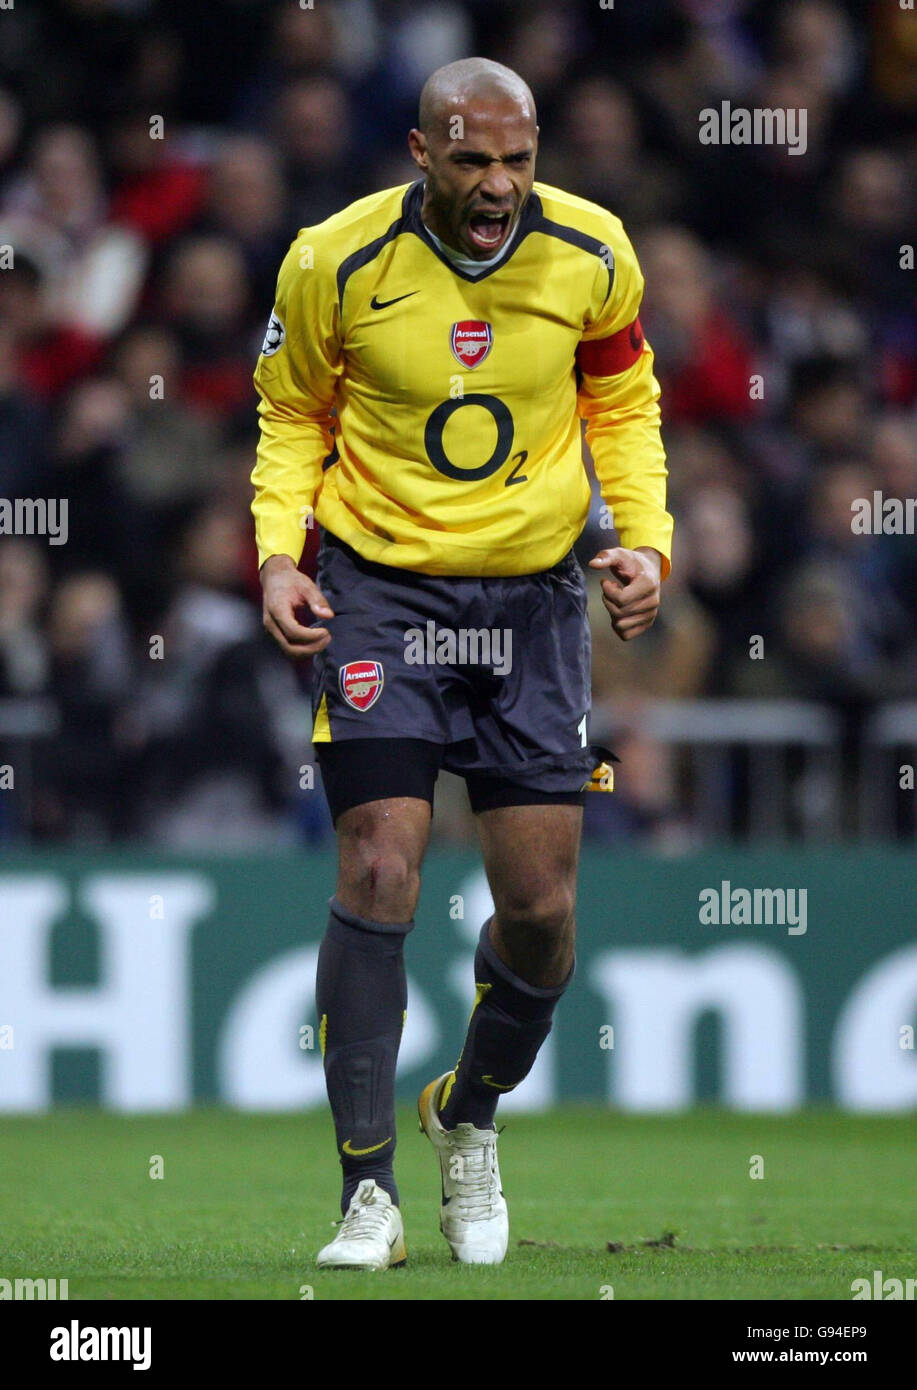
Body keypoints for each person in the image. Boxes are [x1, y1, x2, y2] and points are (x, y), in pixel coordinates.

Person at [251, 57, 673, 1269]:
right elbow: (290, 414)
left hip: (534, 601)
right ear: (418, 151)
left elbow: (623, 399)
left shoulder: (592, 255)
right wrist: (282, 557)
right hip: (379, 592)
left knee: (539, 916)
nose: (497, 186)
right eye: (472, 159)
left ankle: (467, 1114)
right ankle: (366, 1196)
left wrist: (639, 537)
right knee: (380, 863)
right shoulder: (332, 259)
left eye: (518, 160)